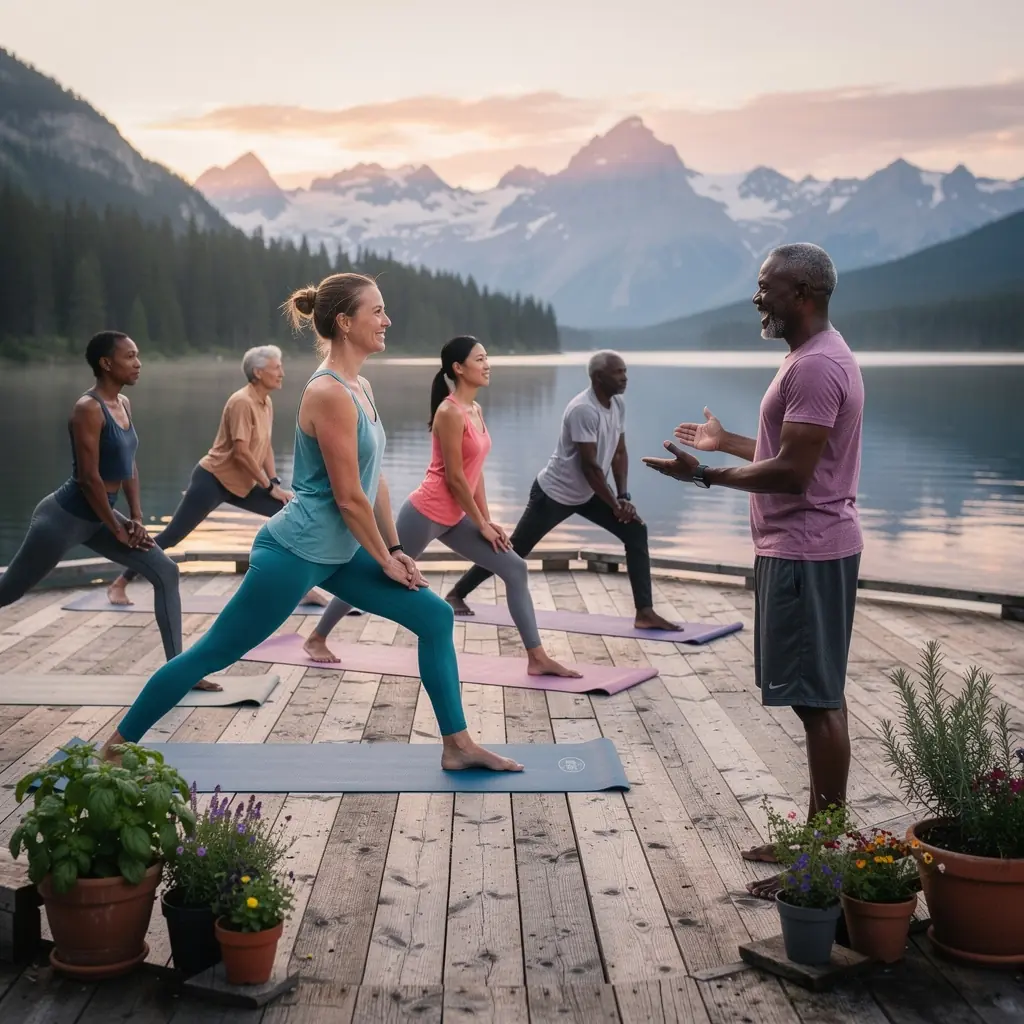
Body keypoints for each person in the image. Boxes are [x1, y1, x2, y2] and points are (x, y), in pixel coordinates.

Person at [99, 274, 522, 772]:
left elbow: (374, 480)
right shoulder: (328, 393)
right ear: (345, 322)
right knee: (213, 654)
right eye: (377, 311)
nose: (387, 320)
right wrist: (384, 559)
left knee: (435, 616)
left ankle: (457, 745)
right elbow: (347, 498)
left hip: (339, 552)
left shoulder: (360, 385)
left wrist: (396, 547)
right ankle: (116, 747)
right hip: (294, 553)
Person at [642, 242, 864, 899]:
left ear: (803, 293)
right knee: (817, 695)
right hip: (802, 546)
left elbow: (795, 472)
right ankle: (819, 841)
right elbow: (794, 447)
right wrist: (728, 442)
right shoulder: (807, 358)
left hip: (807, 548)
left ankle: (822, 863)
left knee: (816, 699)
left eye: (766, 286)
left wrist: (705, 475)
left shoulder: (818, 365)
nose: (755, 296)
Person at [303, 335, 581, 678]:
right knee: (376, 576)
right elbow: (454, 479)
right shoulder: (449, 412)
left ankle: (536, 657)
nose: (487, 364)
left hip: (455, 516)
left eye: (486, 357)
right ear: (458, 368)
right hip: (425, 513)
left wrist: (487, 521)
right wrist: (479, 522)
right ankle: (317, 636)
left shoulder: (475, 410)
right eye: (479, 359)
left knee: (515, 568)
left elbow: (474, 474)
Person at [0, 331, 211, 687]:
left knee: (166, 571)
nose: (138, 363)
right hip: (63, 519)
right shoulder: (88, 409)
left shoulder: (124, 405)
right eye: (130, 357)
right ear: (106, 363)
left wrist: (138, 519)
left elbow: (129, 464)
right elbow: (88, 479)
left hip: (102, 515)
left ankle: (179, 673)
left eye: (138, 355)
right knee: (10, 590)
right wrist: (117, 528)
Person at [445, 350, 678, 631]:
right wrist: (615, 506)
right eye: (619, 372)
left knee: (635, 531)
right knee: (516, 549)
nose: (625, 377)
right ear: (598, 378)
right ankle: (456, 593)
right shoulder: (583, 409)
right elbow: (590, 467)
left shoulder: (618, 405)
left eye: (625, 371)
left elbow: (619, 452)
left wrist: (623, 496)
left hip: (591, 493)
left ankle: (645, 612)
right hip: (553, 494)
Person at [106, 345, 327, 613]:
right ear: (258, 372)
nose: (282, 372)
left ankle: (302, 588)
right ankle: (120, 582)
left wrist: (275, 484)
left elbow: (265, 446)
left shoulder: (265, 402)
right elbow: (241, 452)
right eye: (276, 367)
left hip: (241, 484)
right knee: (172, 535)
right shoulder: (241, 402)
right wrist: (268, 486)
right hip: (212, 480)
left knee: (289, 515)